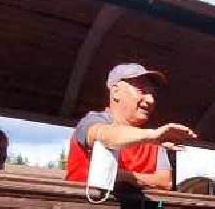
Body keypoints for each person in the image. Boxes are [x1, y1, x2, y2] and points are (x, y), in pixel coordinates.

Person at [64, 63, 198, 190]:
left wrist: (118, 176)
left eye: (153, 94)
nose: (151, 100)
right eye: (141, 90)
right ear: (116, 92)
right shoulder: (92, 121)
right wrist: (151, 137)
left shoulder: (155, 137)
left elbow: (165, 182)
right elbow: (103, 136)